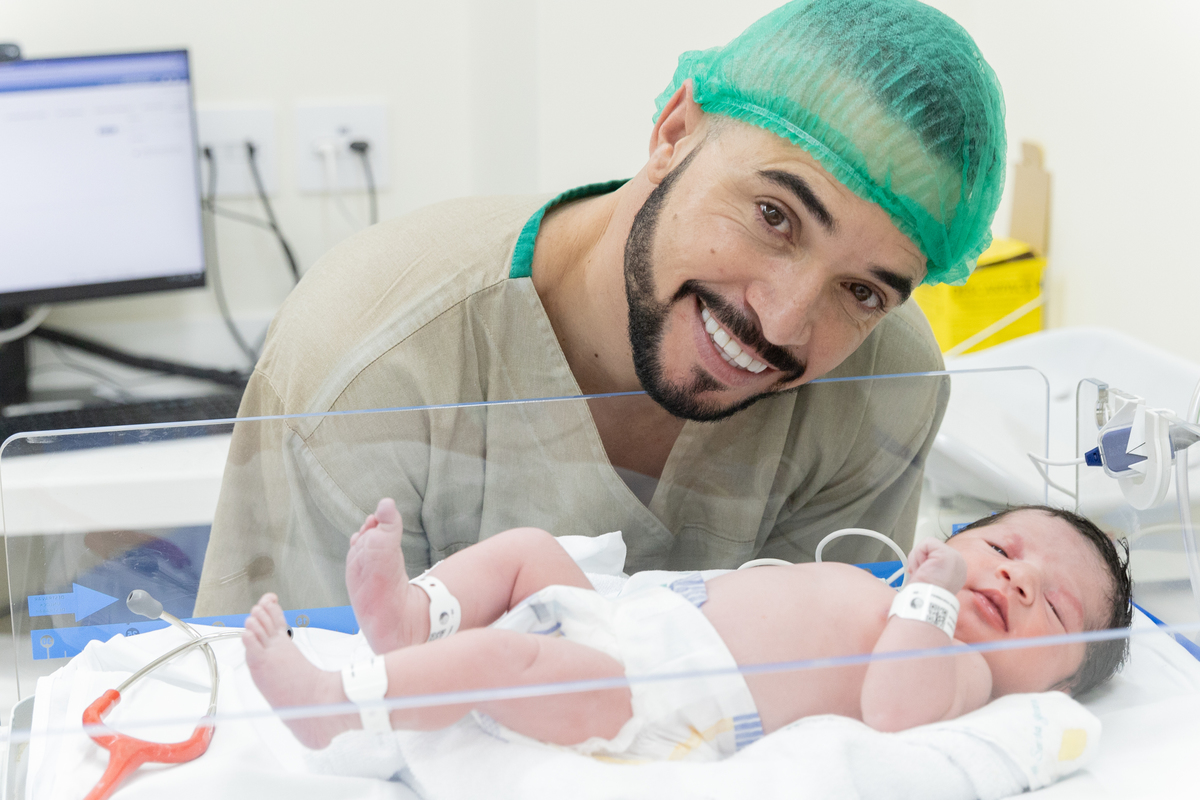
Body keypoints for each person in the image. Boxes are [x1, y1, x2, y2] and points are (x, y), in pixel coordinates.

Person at [196, 0, 1007, 616]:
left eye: (861, 291)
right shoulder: (375, 357)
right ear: (674, 132)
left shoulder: (881, 382)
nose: (784, 323)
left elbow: (816, 691)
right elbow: (298, 729)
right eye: (774, 216)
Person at [243, 500, 1132, 760]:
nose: (1018, 578)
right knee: (527, 548)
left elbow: (895, 710)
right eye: (1007, 547)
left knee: (512, 658)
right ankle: (409, 620)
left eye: (1052, 607)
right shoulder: (884, 586)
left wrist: (932, 605)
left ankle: (336, 704)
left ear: (1058, 677)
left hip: (651, 703)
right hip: (634, 624)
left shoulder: (961, 675)